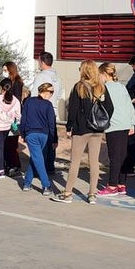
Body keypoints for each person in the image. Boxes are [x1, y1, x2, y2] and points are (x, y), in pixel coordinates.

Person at [51, 60, 109, 204]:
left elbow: (73, 110)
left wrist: (69, 127)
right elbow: (110, 107)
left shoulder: (79, 87)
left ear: (83, 70)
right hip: (97, 129)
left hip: (82, 129)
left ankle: (68, 193)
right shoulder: (101, 87)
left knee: (75, 161)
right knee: (94, 162)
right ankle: (92, 194)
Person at [96, 62, 135, 196]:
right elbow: (129, 105)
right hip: (124, 123)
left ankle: (112, 185)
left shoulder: (104, 88)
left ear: (104, 74)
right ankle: (121, 184)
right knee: (122, 155)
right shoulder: (121, 87)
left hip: (114, 125)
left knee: (114, 156)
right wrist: (132, 123)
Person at [20, 82, 58, 194]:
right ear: (44, 91)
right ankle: (46, 185)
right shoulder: (48, 105)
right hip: (43, 135)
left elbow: (24, 119)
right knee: (39, 159)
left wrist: (23, 134)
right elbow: (52, 124)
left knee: (35, 158)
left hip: (31, 134)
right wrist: (54, 139)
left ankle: (27, 183)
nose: (52, 94)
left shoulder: (29, 102)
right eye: (51, 91)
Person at [31, 52, 62, 179]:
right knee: (51, 139)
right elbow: (59, 94)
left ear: (42, 62)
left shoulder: (41, 77)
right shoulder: (57, 77)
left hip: (41, 112)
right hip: (52, 110)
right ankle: (50, 167)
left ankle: (41, 168)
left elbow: (34, 95)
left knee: (42, 140)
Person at [2, 61, 25, 175]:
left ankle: (14, 165)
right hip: (5, 115)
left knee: (12, 142)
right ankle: (8, 163)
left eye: (5, 70)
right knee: (6, 142)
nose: (3, 72)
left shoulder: (17, 82)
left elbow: (16, 99)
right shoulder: (8, 81)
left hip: (13, 115)